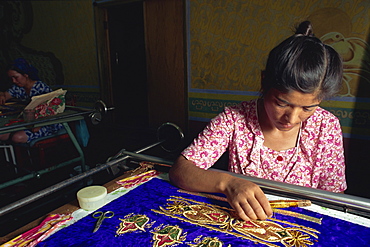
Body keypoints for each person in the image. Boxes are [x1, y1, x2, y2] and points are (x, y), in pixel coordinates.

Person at [169, 21, 347, 222]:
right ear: (264, 81)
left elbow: (334, 199)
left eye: (307, 108)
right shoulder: (234, 119)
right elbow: (180, 170)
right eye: (281, 103)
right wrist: (228, 183)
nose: (292, 118)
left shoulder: (326, 126)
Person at [0, 58, 63, 143]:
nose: (13, 81)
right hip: (28, 122)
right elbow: (5, 94)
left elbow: (50, 110)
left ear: (25, 74)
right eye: (11, 78)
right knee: (2, 134)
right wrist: (2, 95)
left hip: (46, 124)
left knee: (17, 137)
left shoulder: (40, 87)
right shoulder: (18, 88)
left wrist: (37, 125)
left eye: (16, 77)